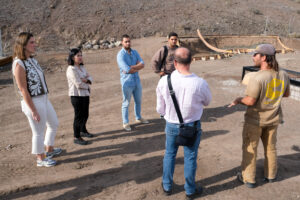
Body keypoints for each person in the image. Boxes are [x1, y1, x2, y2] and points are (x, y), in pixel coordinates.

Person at [229, 44, 290, 188]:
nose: (253, 57)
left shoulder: (256, 78)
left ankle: (248, 179)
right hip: (274, 119)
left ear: (263, 57)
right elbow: (286, 94)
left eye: (255, 54)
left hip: (255, 121)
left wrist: (238, 100)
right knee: (271, 148)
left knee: (250, 149)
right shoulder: (283, 74)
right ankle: (271, 175)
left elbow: (250, 101)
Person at [156, 47, 211, 199]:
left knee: (169, 154)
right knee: (191, 157)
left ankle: (167, 186)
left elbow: (160, 108)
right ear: (191, 61)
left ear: (174, 62)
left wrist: (167, 115)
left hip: (171, 125)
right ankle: (190, 190)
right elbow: (207, 102)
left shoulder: (164, 81)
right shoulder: (200, 83)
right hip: (191, 126)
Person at [12, 32, 61, 167]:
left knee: (54, 123)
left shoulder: (32, 60)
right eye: (32, 43)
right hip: (33, 101)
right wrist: (33, 110)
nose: (35, 45)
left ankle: (49, 150)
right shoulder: (19, 64)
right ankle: (40, 158)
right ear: (23, 45)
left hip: (43, 98)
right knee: (38, 131)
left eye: (34, 42)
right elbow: (23, 89)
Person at [117, 34, 149, 131]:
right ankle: (125, 122)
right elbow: (127, 69)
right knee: (126, 103)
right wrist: (136, 67)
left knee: (138, 101)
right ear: (122, 43)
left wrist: (133, 67)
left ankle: (138, 117)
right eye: (126, 41)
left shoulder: (135, 52)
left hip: (136, 81)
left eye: (129, 41)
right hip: (127, 82)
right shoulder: (120, 55)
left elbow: (142, 64)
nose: (128, 43)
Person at [66, 48, 93, 145]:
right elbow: (78, 84)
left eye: (81, 55)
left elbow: (90, 77)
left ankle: (83, 130)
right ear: (72, 57)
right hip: (76, 96)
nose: (80, 57)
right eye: (78, 55)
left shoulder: (82, 67)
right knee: (78, 116)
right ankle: (76, 136)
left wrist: (86, 80)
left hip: (85, 94)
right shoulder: (71, 69)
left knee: (85, 114)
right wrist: (86, 82)